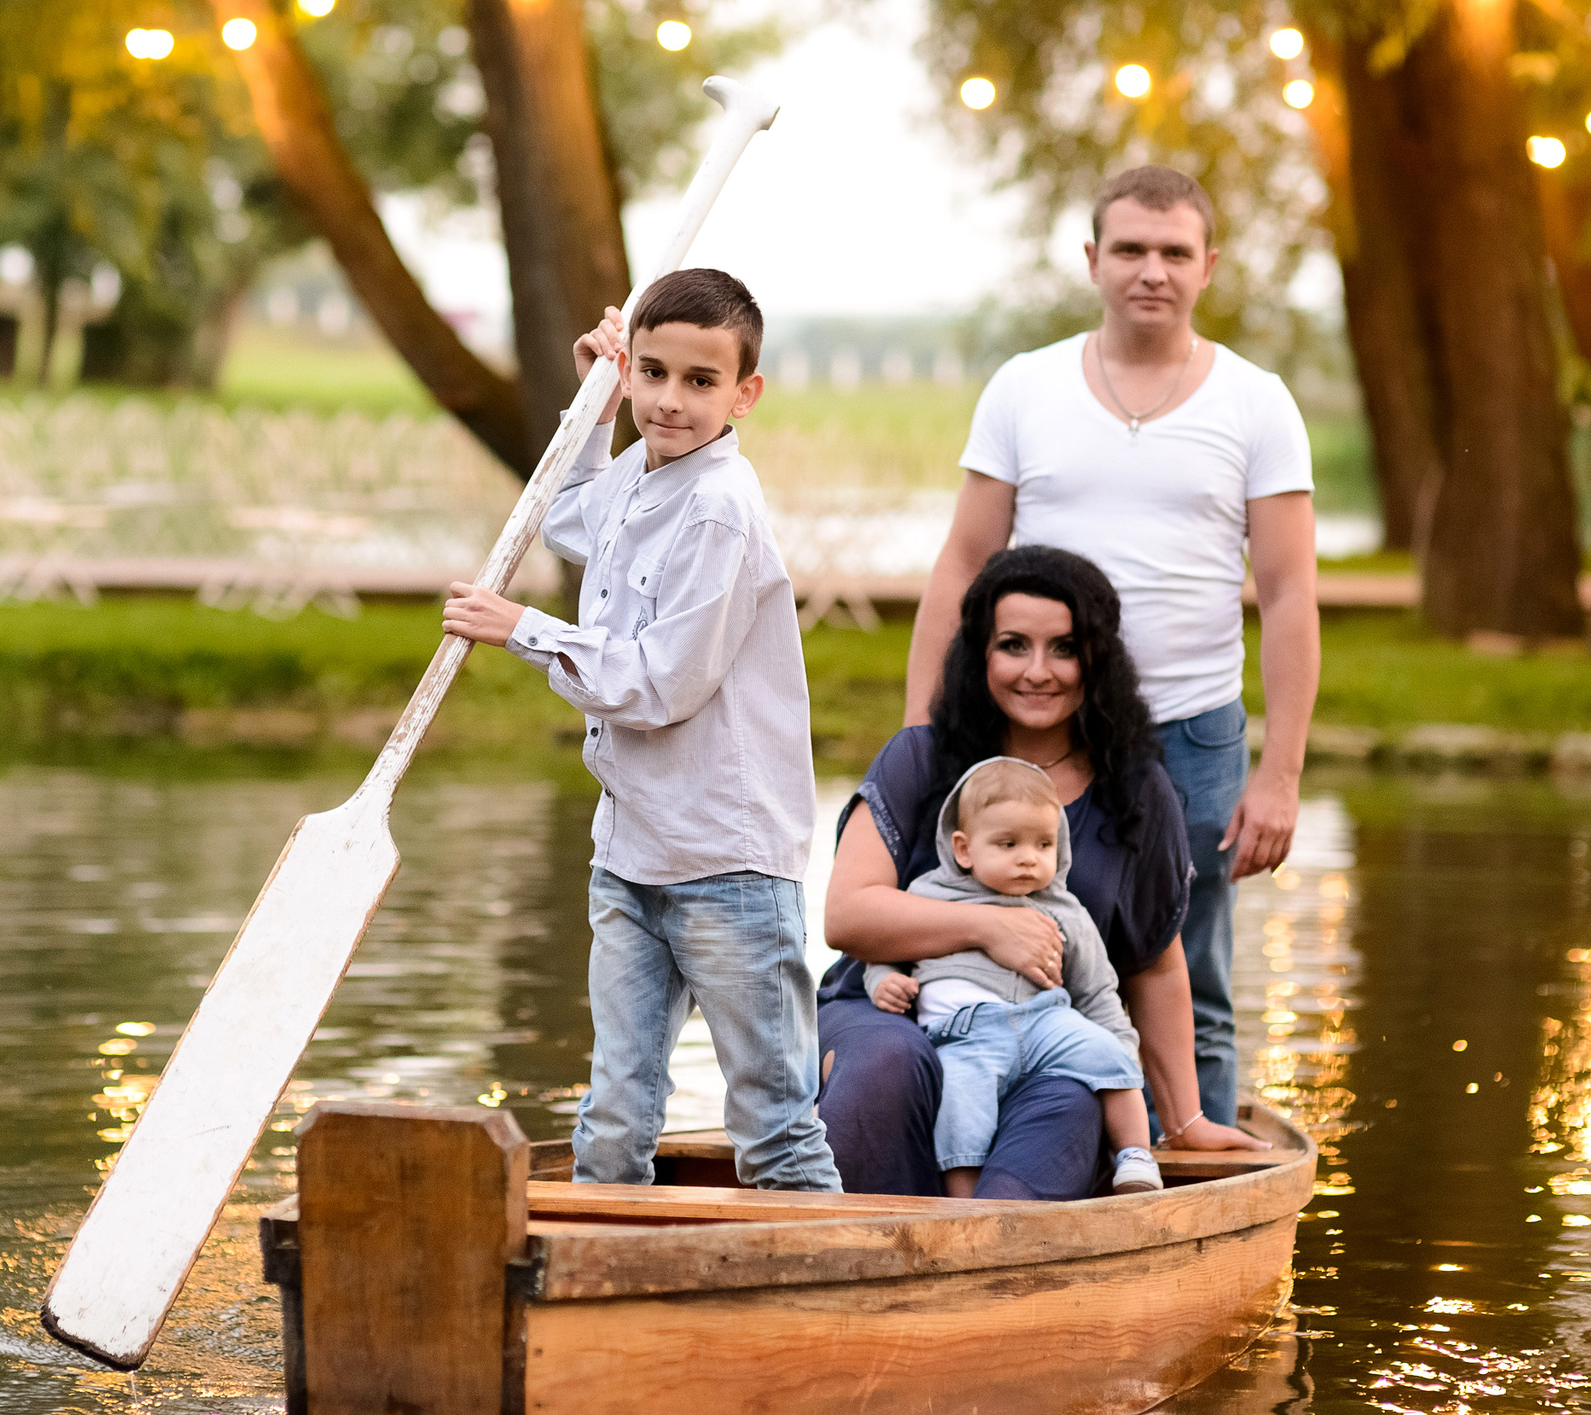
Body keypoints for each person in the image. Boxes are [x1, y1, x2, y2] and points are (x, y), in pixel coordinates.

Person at [904, 165, 1321, 1129]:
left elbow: (1291, 593)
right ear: (1092, 259)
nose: (1152, 271)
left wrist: (1283, 773)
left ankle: (1196, 1181)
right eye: (1130, 249)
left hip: (1190, 732)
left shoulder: (1257, 404)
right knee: (1002, 947)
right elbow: (964, 561)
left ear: (1208, 266)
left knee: (1189, 975)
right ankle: (1016, 1158)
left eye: (1175, 252)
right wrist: (922, 731)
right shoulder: (1026, 387)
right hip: (1034, 729)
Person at [444, 266, 841, 1192]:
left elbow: (664, 684)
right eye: (651, 373)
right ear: (629, 374)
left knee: (773, 1122)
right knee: (615, 1110)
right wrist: (586, 417)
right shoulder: (642, 473)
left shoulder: (720, 509)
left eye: (700, 382)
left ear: (745, 394)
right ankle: (590, 1294)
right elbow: (577, 521)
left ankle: (823, 1307)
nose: (670, 400)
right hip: (630, 852)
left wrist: (524, 629)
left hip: (728, 861)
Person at [821, 545, 1264, 1200]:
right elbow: (847, 914)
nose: (1038, 671)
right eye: (1013, 645)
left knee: (1071, 1096)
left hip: (1049, 1028)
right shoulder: (919, 758)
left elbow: (1156, 966)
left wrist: (1188, 1118)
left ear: (1098, 658)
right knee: (889, 1063)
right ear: (980, 654)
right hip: (894, 1011)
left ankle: (988, 1253)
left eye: (1064, 647)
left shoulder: (1136, 791)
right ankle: (841, 1257)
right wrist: (989, 929)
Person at [865, 757, 1164, 1197]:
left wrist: (1120, 1040)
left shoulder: (1066, 911)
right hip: (964, 1035)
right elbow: (884, 949)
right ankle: (962, 1203)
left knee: (1111, 1056)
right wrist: (883, 982)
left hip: (1046, 1020)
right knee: (959, 1112)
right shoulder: (932, 897)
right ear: (964, 848)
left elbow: (1098, 991)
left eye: (1043, 844)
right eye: (1008, 844)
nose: (1028, 859)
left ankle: (1135, 1156)